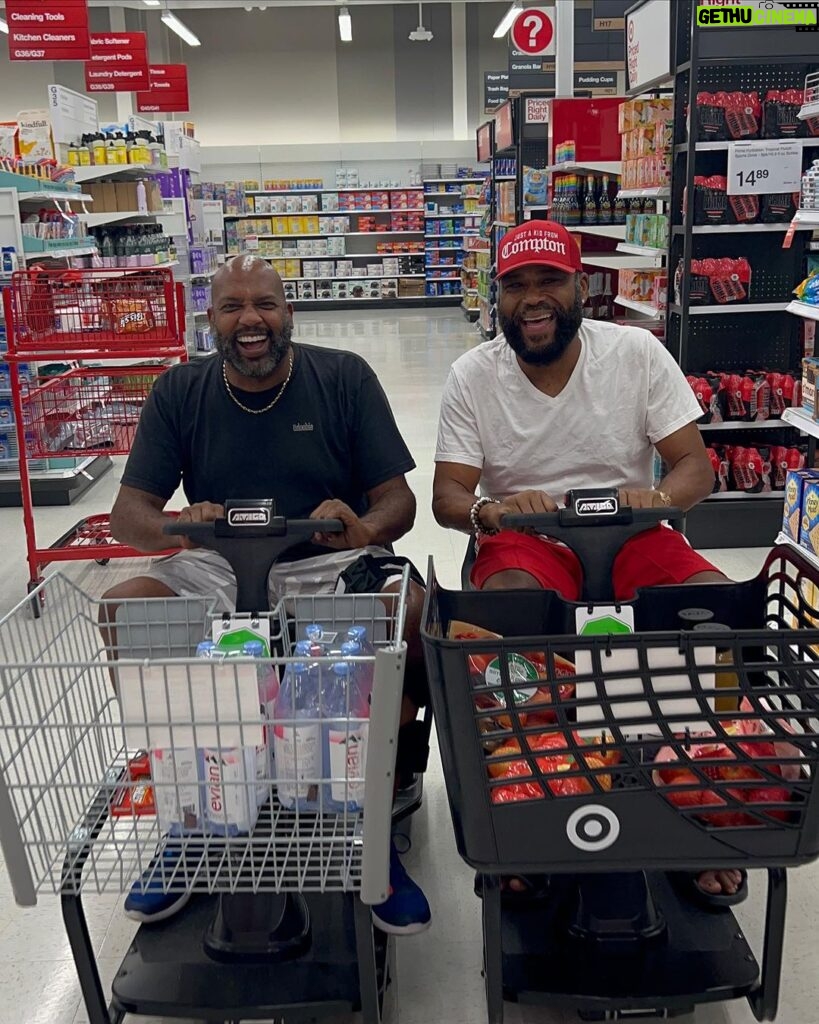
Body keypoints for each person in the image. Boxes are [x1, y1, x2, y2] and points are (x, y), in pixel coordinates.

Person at [102, 255, 430, 935]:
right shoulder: (179, 391)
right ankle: (191, 816)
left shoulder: (342, 377)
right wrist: (175, 525)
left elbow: (398, 501)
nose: (250, 320)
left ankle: (365, 815)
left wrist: (364, 527)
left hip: (326, 560)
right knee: (123, 607)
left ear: (289, 312)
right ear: (211, 321)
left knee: (408, 613)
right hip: (217, 564)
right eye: (232, 307)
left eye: (265, 305)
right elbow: (127, 516)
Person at [431, 219, 744, 909]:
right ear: (498, 296)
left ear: (580, 286)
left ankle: (702, 802)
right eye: (516, 286)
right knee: (517, 615)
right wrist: (492, 513)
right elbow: (448, 495)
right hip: (527, 536)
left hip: (632, 528)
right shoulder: (472, 375)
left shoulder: (633, 353)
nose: (532, 299)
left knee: (707, 610)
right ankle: (530, 803)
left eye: (548, 281)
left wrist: (657, 497)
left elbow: (694, 465)